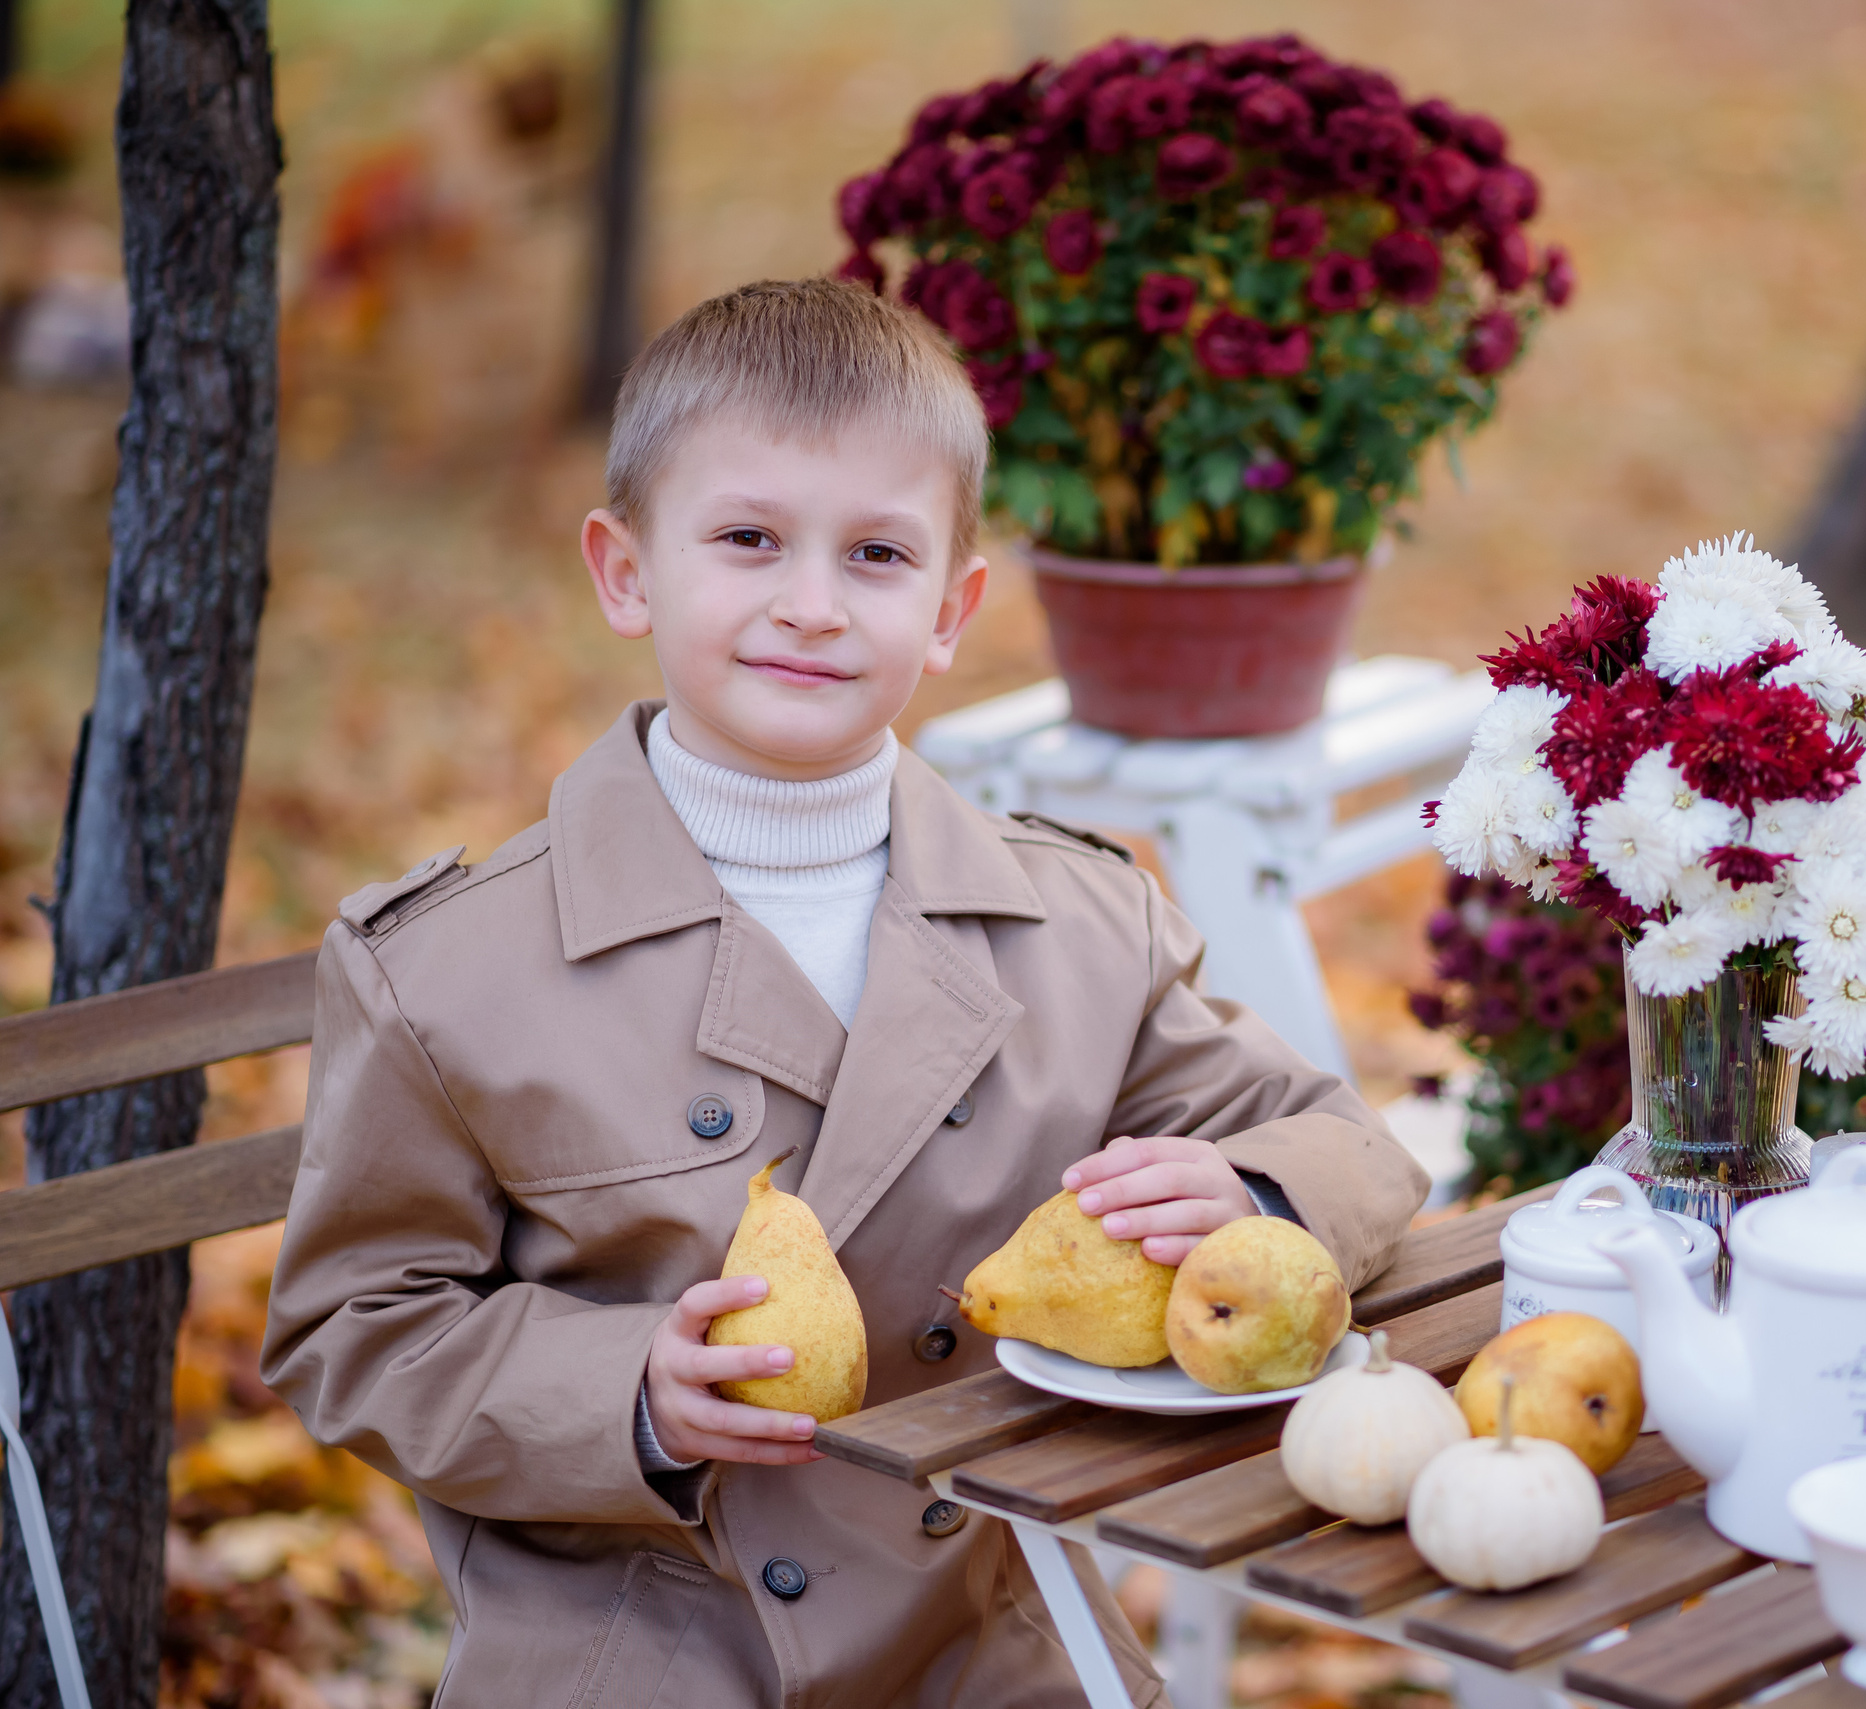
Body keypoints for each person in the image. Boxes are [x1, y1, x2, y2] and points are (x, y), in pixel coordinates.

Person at [260, 276, 1428, 1708]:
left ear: (952, 609)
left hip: (995, 1625)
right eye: (749, 539)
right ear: (627, 572)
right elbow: (356, 1326)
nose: (810, 606)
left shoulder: (1077, 919)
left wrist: (1248, 1199)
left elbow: (1344, 1140)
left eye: (877, 554)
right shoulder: (450, 969)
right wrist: (623, 1385)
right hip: (638, 1642)